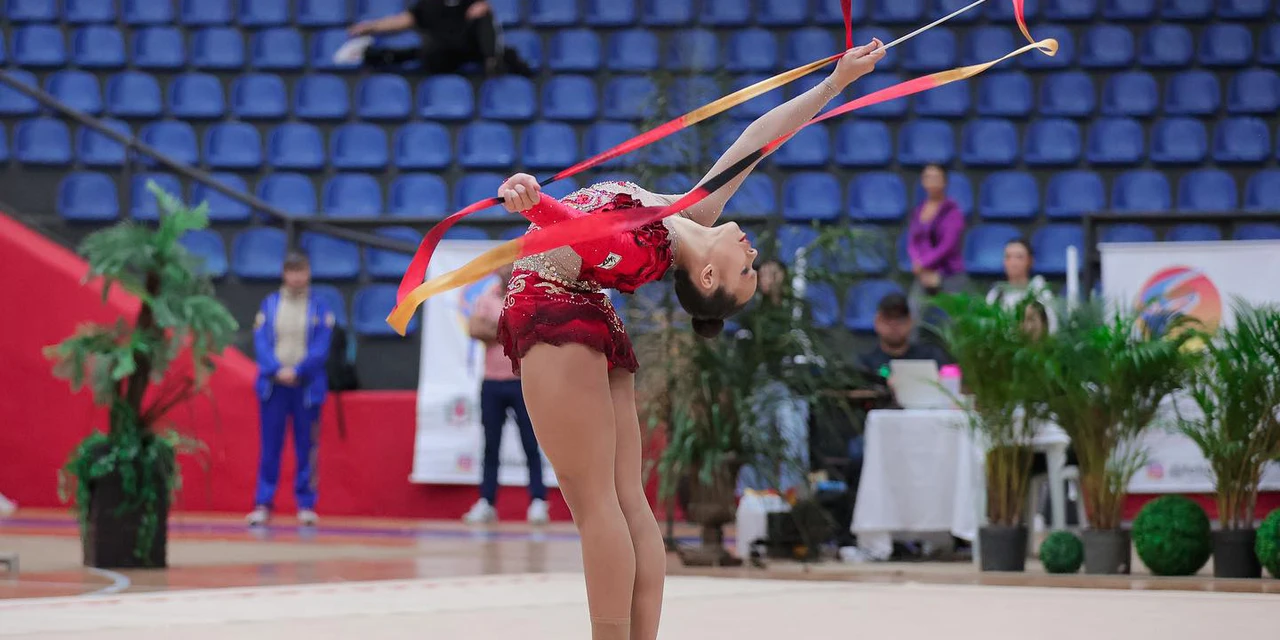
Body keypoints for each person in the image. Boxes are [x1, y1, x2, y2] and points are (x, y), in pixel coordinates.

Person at [494, 41, 886, 640]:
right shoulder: (690, 214)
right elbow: (757, 138)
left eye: (744, 272)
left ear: (708, 278)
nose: (754, 255)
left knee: (597, 503)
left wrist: (533, 200)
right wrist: (835, 83)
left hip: (553, 310)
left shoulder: (643, 247)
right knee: (625, 502)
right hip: (585, 315)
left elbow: (583, 231)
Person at [247, 253, 334, 528]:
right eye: (292, 271)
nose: (297, 277)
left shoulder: (320, 307)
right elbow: (260, 342)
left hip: (306, 388)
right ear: (284, 273)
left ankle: (306, 505)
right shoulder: (270, 305)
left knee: (307, 447)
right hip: (274, 387)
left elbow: (322, 346)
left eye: (301, 271)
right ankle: (263, 503)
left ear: (308, 273)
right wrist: (276, 369)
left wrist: (299, 371)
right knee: (270, 447)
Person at [462, 263, 550, 525]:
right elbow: (474, 329)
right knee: (491, 445)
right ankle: (487, 502)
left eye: (510, 265)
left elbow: (530, 331)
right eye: (501, 265)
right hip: (491, 382)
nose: (505, 270)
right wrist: (507, 329)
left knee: (530, 443)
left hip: (520, 381)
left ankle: (538, 500)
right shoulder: (486, 297)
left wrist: (495, 329)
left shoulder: (528, 295)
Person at [336, 0, 532, 77]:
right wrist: (370, 27)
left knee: (485, 21)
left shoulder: (474, 3)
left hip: (474, 47)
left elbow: (486, 24)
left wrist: (483, 9)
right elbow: (404, 21)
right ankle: (365, 53)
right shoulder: (429, 4)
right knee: (420, 51)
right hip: (442, 52)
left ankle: (493, 60)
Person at [906, 164, 968, 330]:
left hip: (949, 274)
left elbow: (948, 245)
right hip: (924, 274)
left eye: (936, 178)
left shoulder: (953, 212)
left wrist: (924, 263)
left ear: (944, 182)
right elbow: (913, 241)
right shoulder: (919, 211)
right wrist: (917, 262)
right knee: (912, 315)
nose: (932, 182)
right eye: (928, 177)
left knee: (955, 322)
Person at [857, 292, 952, 383]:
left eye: (900, 319)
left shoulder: (931, 357)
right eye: (888, 318)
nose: (894, 325)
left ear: (910, 321)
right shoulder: (866, 364)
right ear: (877, 322)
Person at [986, 238, 1057, 333]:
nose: (1013, 262)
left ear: (1030, 261)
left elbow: (1052, 325)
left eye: (1019, 257)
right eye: (1008, 257)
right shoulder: (996, 292)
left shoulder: (1040, 289)